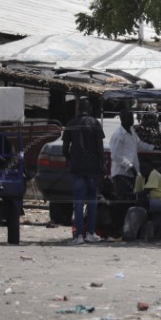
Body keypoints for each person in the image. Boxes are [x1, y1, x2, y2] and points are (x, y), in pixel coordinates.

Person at [62, 98, 105, 244]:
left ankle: (79, 235)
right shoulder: (95, 124)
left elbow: (64, 149)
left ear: (78, 109)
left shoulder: (71, 124)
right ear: (90, 109)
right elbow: (100, 148)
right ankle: (91, 233)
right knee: (92, 200)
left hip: (77, 168)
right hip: (93, 168)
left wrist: (71, 159)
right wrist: (102, 164)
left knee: (78, 202)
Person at [109, 109, 156, 231]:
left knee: (129, 201)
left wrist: (154, 147)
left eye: (132, 117)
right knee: (122, 202)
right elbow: (115, 155)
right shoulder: (118, 134)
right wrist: (129, 166)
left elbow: (139, 145)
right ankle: (118, 228)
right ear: (122, 119)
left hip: (132, 173)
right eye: (129, 117)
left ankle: (126, 228)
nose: (132, 120)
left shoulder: (132, 132)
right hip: (121, 173)